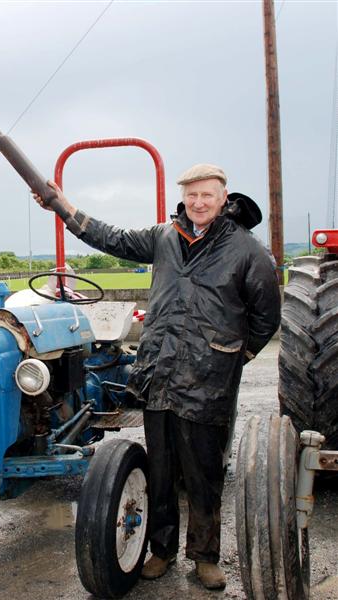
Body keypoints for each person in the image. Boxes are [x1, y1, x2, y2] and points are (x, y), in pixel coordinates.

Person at [33, 163, 281, 590]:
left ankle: (204, 556)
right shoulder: (165, 238)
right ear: (183, 197)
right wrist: (62, 206)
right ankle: (161, 550)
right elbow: (109, 237)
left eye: (207, 195)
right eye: (192, 195)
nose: (198, 202)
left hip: (208, 382)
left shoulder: (248, 251)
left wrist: (230, 357)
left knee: (203, 474)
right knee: (161, 471)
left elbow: (266, 317)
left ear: (224, 198)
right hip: (159, 375)